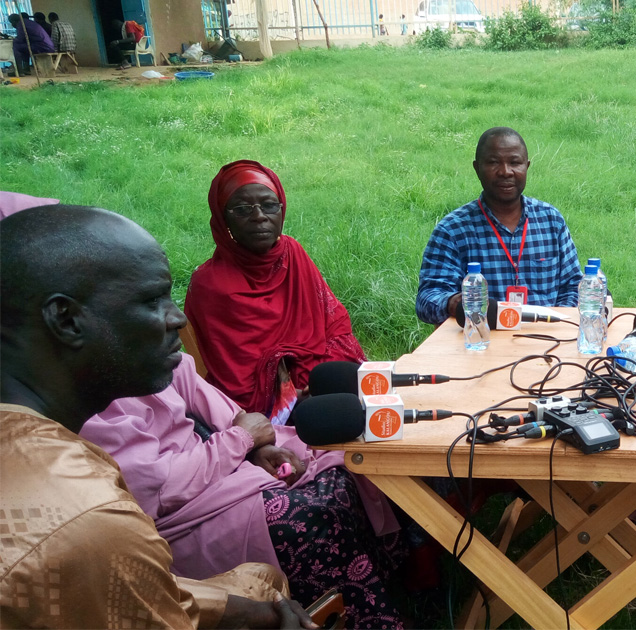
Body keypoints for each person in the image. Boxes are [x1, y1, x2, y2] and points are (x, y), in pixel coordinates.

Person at [0, 205, 315, 629]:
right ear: (66, 319)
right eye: (151, 300)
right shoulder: (89, 517)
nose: (178, 318)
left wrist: (250, 610)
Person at [81, 354, 409, 628]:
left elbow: (219, 406)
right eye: (151, 301)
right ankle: (365, 619)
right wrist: (241, 440)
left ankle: (391, 588)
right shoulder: (89, 397)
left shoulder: (149, 353)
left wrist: (255, 447)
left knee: (338, 462)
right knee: (309, 518)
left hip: (218, 466)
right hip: (179, 514)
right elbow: (157, 489)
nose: (176, 317)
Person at [185, 160, 366, 422]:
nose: (259, 216)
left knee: (366, 398)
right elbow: (231, 374)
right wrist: (289, 395)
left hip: (315, 380)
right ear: (224, 219)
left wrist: (315, 378)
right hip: (262, 407)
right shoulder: (210, 284)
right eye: (242, 209)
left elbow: (334, 324)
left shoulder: (292, 253)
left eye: (269, 205)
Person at [416, 127, 583, 324]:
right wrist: (453, 303)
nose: (505, 172)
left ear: (526, 166)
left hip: (547, 340)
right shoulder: (453, 230)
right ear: (477, 168)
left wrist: (555, 323)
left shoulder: (551, 220)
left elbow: (573, 286)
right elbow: (427, 299)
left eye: (515, 163)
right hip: (481, 341)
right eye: (494, 162)